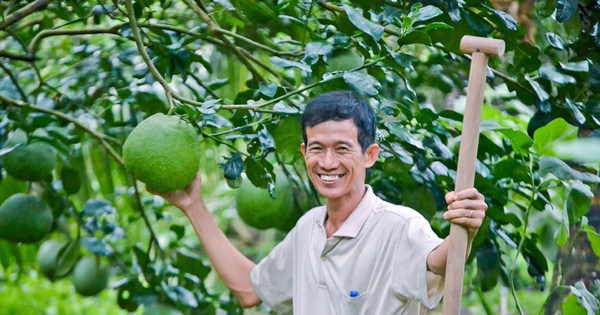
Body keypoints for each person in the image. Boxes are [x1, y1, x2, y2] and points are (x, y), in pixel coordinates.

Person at [152, 91, 488, 314]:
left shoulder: (399, 227)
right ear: (304, 153)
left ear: (370, 155)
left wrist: (464, 231)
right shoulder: (308, 229)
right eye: (317, 148)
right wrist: (193, 206)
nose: (327, 163)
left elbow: (437, 261)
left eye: (342, 149)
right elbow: (250, 290)